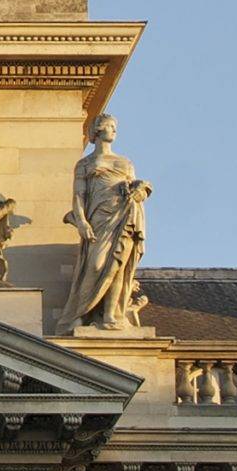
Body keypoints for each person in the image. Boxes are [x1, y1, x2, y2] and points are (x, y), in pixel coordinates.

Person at [55, 115, 151, 334]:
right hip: (97, 218)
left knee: (117, 265)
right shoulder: (85, 164)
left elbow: (135, 186)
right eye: (110, 126)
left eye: (115, 127)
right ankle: (79, 314)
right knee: (96, 265)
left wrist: (140, 189)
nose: (114, 131)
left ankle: (110, 315)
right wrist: (81, 221)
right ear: (98, 130)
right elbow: (78, 196)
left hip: (123, 214)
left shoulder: (125, 163)